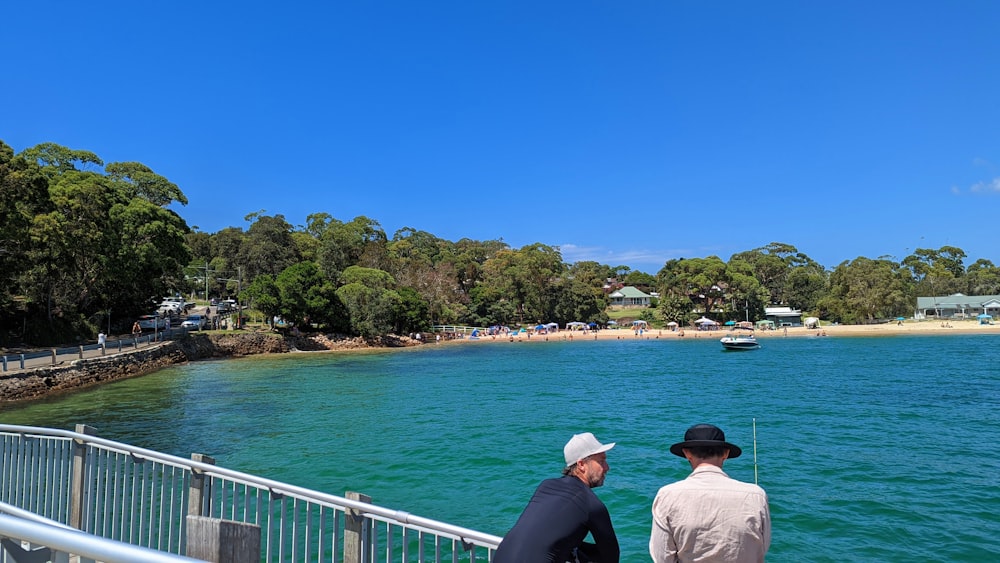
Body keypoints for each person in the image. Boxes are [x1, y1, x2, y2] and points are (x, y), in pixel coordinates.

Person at [649, 424, 770, 563]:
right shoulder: (756, 495)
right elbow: (762, 547)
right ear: (726, 453)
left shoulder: (667, 495)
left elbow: (662, 557)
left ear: (687, 453)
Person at [494, 432, 620, 563]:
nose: (607, 467)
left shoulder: (546, 486)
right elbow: (611, 557)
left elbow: (541, 534)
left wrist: (573, 549)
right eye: (601, 461)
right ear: (581, 464)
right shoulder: (592, 504)